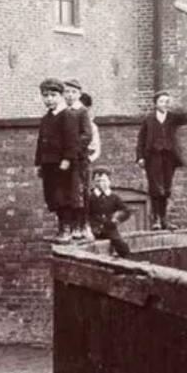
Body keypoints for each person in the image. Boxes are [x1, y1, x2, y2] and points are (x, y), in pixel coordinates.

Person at [35, 77, 79, 242]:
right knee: (52, 196)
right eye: (45, 96)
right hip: (48, 163)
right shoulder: (46, 119)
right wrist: (39, 163)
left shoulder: (67, 115)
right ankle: (61, 227)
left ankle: (66, 228)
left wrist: (67, 159)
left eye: (53, 95)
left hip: (62, 164)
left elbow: (72, 140)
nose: (49, 99)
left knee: (63, 195)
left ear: (60, 96)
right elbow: (41, 142)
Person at [136, 90, 184, 230]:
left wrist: (174, 105)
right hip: (153, 156)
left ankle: (164, 219)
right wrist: (140, 157)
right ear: (155, 103)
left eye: (167, 101)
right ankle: (155, 219)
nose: (165, 104)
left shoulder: (172, 118)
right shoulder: (148, 119)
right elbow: (141, 139)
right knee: (156, 188)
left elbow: (185, 116)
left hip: (169, 156)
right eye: (162, 101)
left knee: (167, 188)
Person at [62, 79, 96, 241]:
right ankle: (71, 226)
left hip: (78, 160)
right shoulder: (63, 112)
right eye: (67, 92)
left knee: (80, 193)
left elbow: (87, 135)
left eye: (73, 92)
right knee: (68, 193)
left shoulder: (82, 112)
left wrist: (72, 152)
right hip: (65, 161)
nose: (69, 95)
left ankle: (82, 225)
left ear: (79, 94)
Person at [87, 167, 132, 257]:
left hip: (110, 229)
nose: (101, 184)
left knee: (122, 246)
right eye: (98, 181)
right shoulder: (90, 198)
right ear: (93, 183)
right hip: (94, 229)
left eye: (104, 181)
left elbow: (126, 210)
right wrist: (88, 229)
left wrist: (116, 218)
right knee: (90, 248)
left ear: (109, 182)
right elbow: (85, 214)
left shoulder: (113, 197)